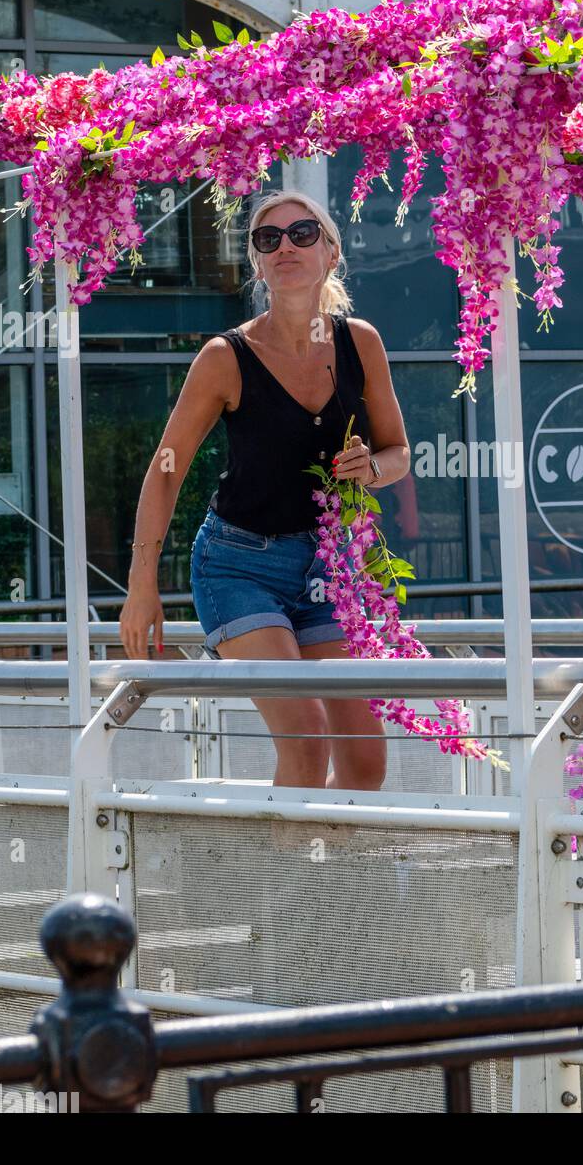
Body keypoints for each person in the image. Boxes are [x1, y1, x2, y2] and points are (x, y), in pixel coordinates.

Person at [119, 190, 411, 791]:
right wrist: (142, 585)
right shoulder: (226, 356)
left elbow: (398, 453)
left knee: (363, 760)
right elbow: (168, 466)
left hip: (330, 568)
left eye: (303, 234)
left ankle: (332, 881)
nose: (285, 247)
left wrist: (370, 469)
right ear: (256, 262)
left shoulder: (362, 343)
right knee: (306, 741)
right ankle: (280, 884)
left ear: (331, 252)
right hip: (238, 564)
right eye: (267, 238)